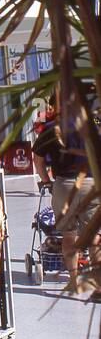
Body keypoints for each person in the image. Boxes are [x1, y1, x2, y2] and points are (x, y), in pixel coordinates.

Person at [33, 100, 100, 285]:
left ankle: (74, 280)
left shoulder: (52, 129)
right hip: (90, 184)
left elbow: (37, 160)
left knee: (69, 235)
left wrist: (47, 181)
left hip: (63, 185)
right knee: (94, 236)